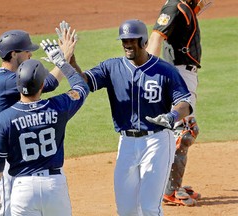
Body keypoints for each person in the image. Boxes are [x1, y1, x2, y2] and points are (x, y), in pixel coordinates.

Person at [63, 19, 193, 215]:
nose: (127, 44)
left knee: (150, 207)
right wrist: (71, 62)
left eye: (131, 40)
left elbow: (185, 103)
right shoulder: (112, 67)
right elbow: (85, 83)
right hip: (126, 143)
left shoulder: (164, 70)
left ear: (143, 41)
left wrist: (172, 116)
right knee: (126, 209)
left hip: (156, 142)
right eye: (124, 40)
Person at [0, 34, 89, 215]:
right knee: (3, 212)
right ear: (14, 54)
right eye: (27, 52)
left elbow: (40, 83)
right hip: (8, 151)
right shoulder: (7, 81)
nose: (31, 55)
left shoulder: (8, 92)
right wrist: (62, 59)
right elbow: (49, 83)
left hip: (15, 151)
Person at [147, 0, 213, 206]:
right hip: (179, 74)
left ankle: (171, 185)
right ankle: (169, 190)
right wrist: (146, 72)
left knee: (184, 130)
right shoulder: (174, 7)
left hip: (184, 73)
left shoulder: (184, 9)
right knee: (184, 131)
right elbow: (157, 36)